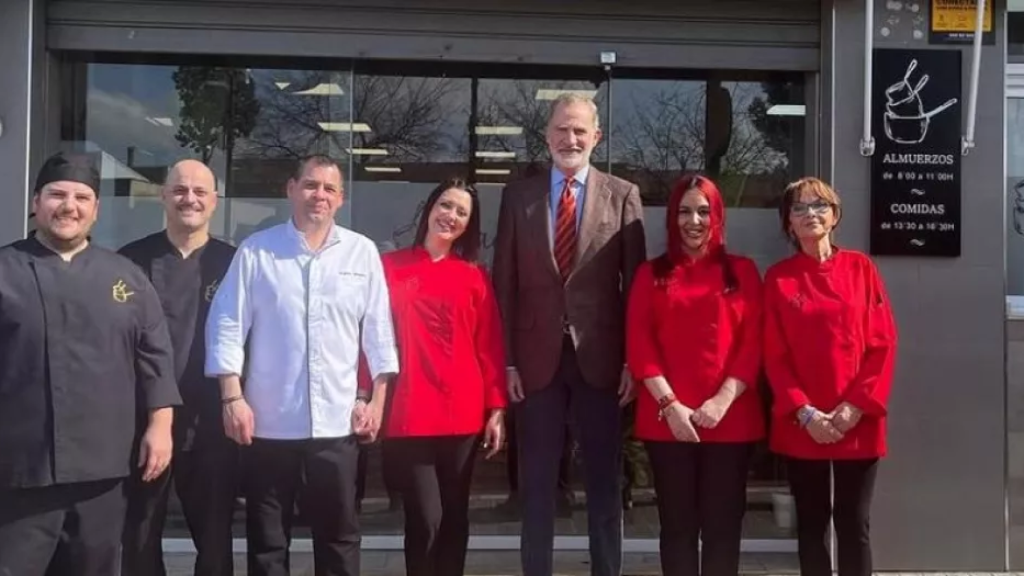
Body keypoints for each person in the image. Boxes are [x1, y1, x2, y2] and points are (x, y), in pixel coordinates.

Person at [205, 155, 399, 576]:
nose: (319, 195)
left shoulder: (361, 252)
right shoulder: (258, 250)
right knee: (268, 542)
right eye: (311, 185)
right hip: (269, 424)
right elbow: (227, 323)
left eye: (329, 189)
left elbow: (379, 333)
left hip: (337, 425)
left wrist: (377, 402)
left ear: (341, 198)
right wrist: (231, 397)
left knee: (339, 538)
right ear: (291, 189)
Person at [0, 152, 180, 576]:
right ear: (35, 202)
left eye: (82, 198)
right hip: (21, 469)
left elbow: (154, 355)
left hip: (103, 469)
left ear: (96, 210)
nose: (69, 206)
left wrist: (160, 425)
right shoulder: (5, 270)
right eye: (57, 195)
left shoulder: (126, 277)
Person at [492, 92, 647, 576]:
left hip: (601, 361)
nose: (570, 138)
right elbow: (504, 285)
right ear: (546, 136)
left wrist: (632, 360)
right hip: (535, 361)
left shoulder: (623, 195)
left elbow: (636, 289)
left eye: (580, 130)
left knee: (604, 481)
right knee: (537, 485)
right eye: (561, 129)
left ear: (596, 136)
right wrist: (508, 361)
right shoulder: (518, 197)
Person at [363, 177, 508, 576]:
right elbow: (370, 337)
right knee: (425, 517)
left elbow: (489, 345)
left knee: (455, 515)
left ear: (468, 224)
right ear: (429, 208)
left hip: (463, 412)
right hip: (409, 410)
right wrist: (366, 394)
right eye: (446, 205)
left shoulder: (474, 276)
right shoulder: (390, 268)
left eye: (462, 212)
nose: (451, 216)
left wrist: (497, 408)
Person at [625, 174, 764, 576]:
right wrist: (671, 406)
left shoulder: (743, 272)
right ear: (672, 218)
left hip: (731, 419)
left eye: (704, 211)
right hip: (668, 421)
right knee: (677, 529)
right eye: (684, 212)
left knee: (723, 530)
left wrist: (721, 401)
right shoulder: (650, 274)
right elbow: (639, 345)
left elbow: (753, 344)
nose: (694, 221)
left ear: (718, 216)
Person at [763, 177, 897, 576]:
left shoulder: (861, 268)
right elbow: (774, 355)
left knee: (854, 524)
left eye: (820, 206)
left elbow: (883, 343)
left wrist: (854, 407)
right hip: (803, 422)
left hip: (857, 419)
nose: (810, 214)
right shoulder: (779, 278)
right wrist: (805, 413)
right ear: (788, 222)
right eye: (799, 208)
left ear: (835, 215)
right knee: (811, 525)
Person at [119, 159, 239, 576]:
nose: (190, 199)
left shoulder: (235, 263)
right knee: (140, 536)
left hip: (211, 424)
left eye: (200, 192)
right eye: (180, 190)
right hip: (144, 422)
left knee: (215, 541)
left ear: (214, 201)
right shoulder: (130, 261)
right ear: (164, 196)